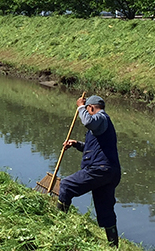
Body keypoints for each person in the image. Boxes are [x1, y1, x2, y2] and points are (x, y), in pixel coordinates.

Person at [58, 95, 121, 248]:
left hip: (100, 170)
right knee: (105, 209)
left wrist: (80, 106)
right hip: (109, 172)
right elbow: (94, 148)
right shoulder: (103, 125)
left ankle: (57, 225)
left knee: (66, 185)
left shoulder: (100, 117)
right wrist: (76, 144)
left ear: (91, 108)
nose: (86, 112)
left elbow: (88, 122)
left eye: (87, 110)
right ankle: (114, 246)